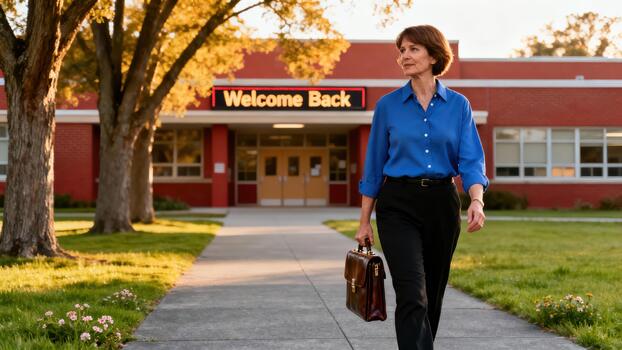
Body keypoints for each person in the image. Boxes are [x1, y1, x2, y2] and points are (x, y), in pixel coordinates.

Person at [356, 25, 488, 350]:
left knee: (432, 294)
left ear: (433, 54)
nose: (405, 56)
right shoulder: (388, 106)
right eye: (402, 50)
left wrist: (476, 200)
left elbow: (471, 159)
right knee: (412, 293)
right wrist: (363, 222)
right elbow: (373, 166)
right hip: (397, 204)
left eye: (413, 49)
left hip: (442, 204)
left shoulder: (459, 106)